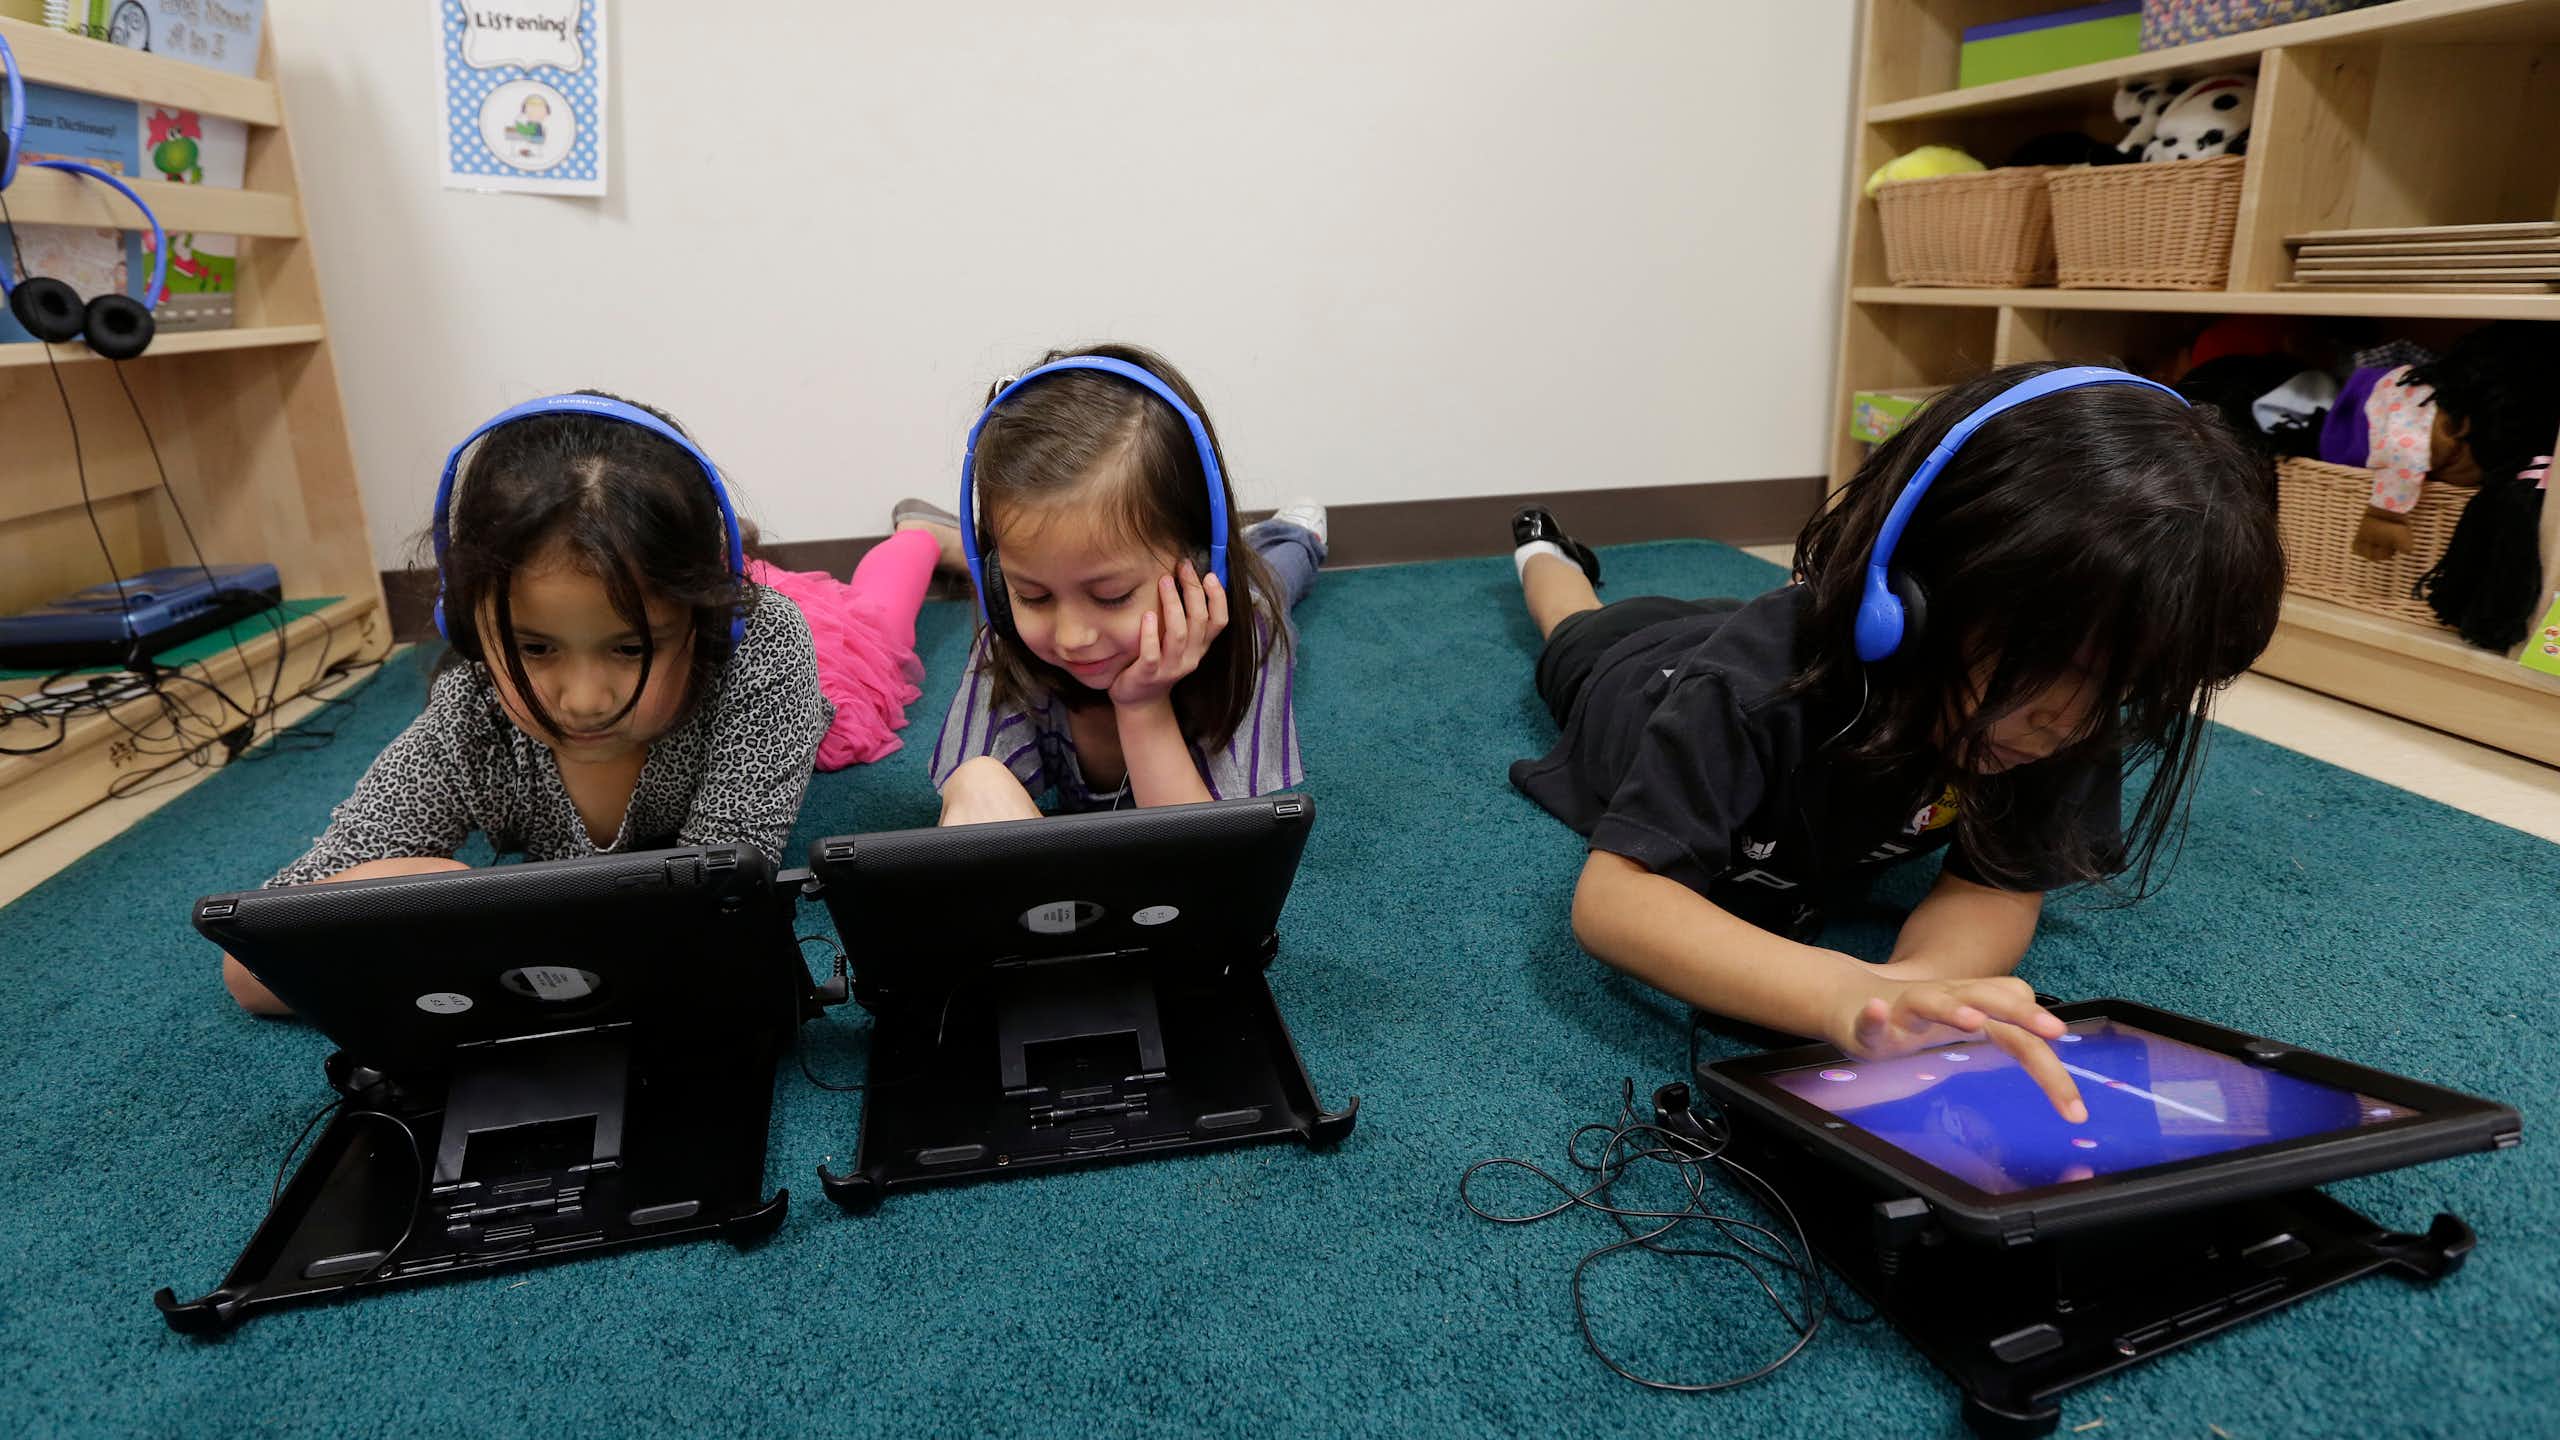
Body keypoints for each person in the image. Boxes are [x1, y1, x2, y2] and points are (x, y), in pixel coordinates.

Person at [1504, 363, 2285, 1118]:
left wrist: (1917, 987)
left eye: (2124, 689)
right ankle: (1545, 552)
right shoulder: (1744, 692)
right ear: (1906, 601)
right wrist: (1839, 993)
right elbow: (1618, 900)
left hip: (1792, 642)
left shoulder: (2066, 712)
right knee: (1576, 628)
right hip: (1636, 674)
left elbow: (1996, 887)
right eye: (2055, 669)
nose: (2071, 723)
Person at [221, 391, 884, 1014]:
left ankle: (914, 539)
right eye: (535, 647)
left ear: (711, 626)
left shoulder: (758, 647)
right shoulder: (471, 714)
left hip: (822, 669)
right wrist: (437, 892)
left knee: (876, 616)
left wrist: (471, 938)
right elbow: (256, 957)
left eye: (631, 647)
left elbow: (714, 905)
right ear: (466, 626)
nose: (585, 701)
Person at [906, 343, 1326, 821]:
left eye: (1112, 596)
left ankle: (1294, 532)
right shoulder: (1006, 645)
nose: (1072, 637)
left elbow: (1211, 852)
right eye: (1033, 595)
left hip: (1249, 594)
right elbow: (974, 806)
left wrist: (1143, 707)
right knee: (975, 778)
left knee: (1273, 575)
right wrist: (973, 786)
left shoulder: (1250, 632)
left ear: (1200, 567)